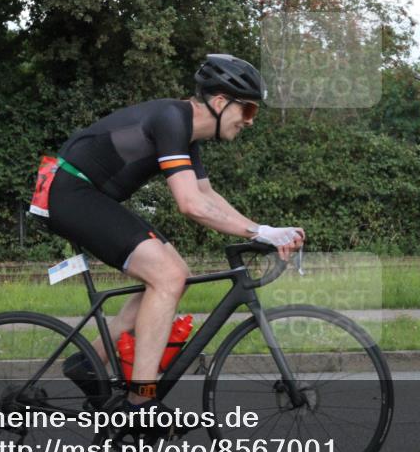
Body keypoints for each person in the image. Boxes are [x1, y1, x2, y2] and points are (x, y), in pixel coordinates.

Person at [43, 54, 304, 425]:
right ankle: (140, 403)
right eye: (247, 111)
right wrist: (259, 232)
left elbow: (207, 195)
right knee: (167, 276)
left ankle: (90, 363)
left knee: (174, 272)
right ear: (219, 102)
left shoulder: (184, 132)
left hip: (83, 195)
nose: (248, 121)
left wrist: (262, 229)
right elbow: (190, 204)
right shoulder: (172, 119)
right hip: (70, 193)